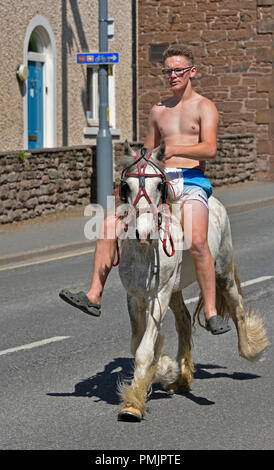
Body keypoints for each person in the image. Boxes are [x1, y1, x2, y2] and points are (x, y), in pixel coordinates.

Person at [59, 44, 231, 335]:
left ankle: (212, 312)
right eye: (168, 70)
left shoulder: (205, 107)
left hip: (189, 182)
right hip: (157, 184)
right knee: (108, 225)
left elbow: (210, 148)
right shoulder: (157, 111)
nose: (173, 75)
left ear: (192, 71)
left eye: (178, 70)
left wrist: (175, 147)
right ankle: (93, 295)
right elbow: (149, 154)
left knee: (199, 241)